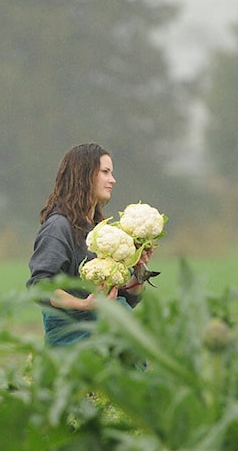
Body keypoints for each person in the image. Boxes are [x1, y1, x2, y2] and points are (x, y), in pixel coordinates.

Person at [27, 143, 152, 347]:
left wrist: (139, 269)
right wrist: (85, 305)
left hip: (112, 335)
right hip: (73, 341)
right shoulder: (58, 227)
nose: (113, 180)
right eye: (105, 172)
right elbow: (41, 286)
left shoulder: (100, 231)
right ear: (84, 176)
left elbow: (126, 299)